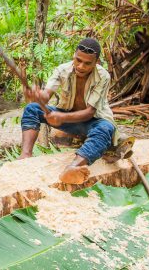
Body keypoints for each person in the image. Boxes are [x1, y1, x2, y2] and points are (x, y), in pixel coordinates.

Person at [19, 38, 117, 184]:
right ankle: (25, 156)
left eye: (87, 63)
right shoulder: (62, 70)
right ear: (74, 56)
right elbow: (46, 96)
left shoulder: (103, 76)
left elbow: (89, 112)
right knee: (32, 109)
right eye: (78, 60)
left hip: (93, 121)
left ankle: (72, 168)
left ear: (96, 62)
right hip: (68, 119)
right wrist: (38, 96)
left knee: (106, 129)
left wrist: (61, 118)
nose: (81, 66)